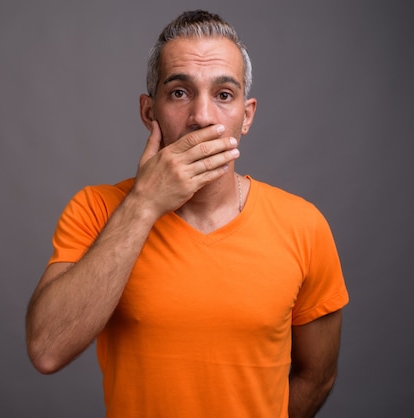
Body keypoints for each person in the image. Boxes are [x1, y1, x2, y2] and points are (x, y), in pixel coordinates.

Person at [26, 10, 349, 418]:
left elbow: (317, 375)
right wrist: (143, 204)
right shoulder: (96, 208)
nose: (202, 117)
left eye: (224, 95)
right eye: (179, 92)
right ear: (149, 112)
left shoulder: (304, 225)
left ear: (246, 116)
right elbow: (46, 350)